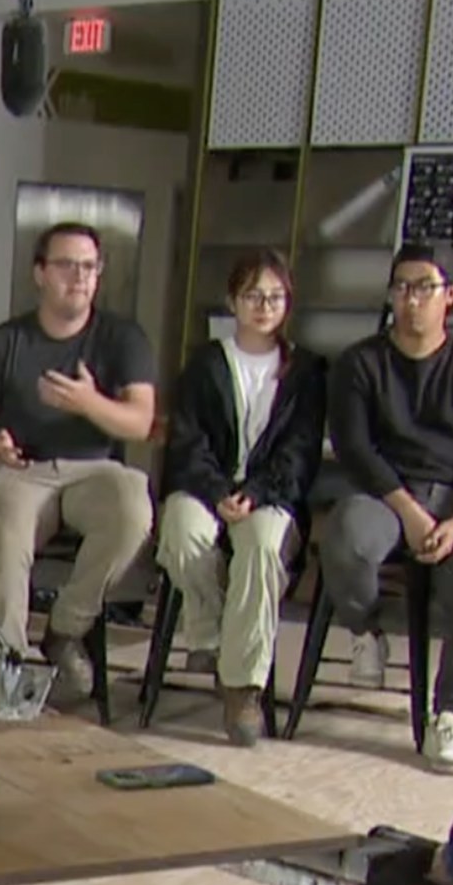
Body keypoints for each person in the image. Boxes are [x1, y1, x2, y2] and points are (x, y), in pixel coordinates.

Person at [0, 221, 159, 703]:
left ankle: (67, 627)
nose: (80, 277)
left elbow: (139, 423)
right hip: (21, 471)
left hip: (95, 470)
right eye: (67, 265)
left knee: (133, 506)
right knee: (3, 516)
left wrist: (88, 403)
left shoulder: (122, 338)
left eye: (89, 267)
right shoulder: (3, 343)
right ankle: (6, 662)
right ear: (40, 274)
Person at [156, 250, 325, 747]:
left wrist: (253, 493)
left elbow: (300, 453)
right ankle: (211, 634)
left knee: (263, 547)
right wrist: (217, 491)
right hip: (207, 486)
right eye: (253, 295)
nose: (264, 306)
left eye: (275, 296)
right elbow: (187, 443)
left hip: (271, 495)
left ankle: (242, 687)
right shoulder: (206, 363)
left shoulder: (306, 371)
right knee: (181, 530)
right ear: (233, 301)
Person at [322, 239, 453, 770]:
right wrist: (408, 510)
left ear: (449, 297)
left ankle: (448, 713)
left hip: (450, 498)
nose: (411, 299)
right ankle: (364, 628)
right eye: (402, 287)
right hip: (384, 491)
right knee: (348, 536)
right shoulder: (362, 362)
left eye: (424, 287)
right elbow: (354, 447)